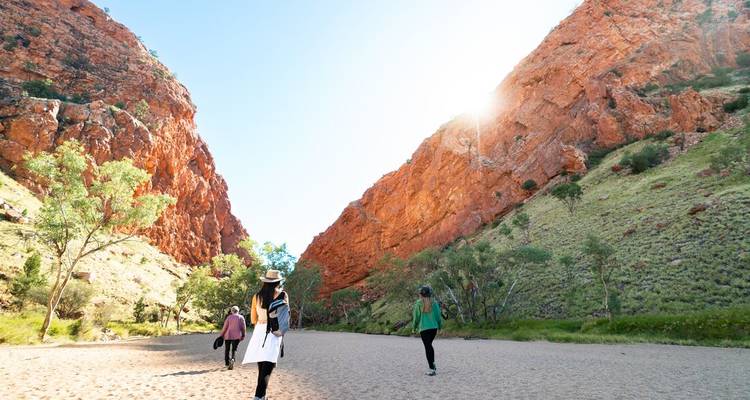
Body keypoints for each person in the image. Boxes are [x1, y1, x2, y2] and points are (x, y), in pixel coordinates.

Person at [242, 269, 288, 400]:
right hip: (274, 331)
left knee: (262, 366)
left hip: (259, 332)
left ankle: (262, 396)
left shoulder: (256, 296)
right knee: (268, 366)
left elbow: (253, 319)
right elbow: (286, 315)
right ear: (278, 282)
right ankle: (258, 397)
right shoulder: (283, 295)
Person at [413, 285, 442, 376]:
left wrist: (414, 327)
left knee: (428, 347)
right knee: (429, 346)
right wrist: (440, 326)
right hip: (433, 328)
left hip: (424, 329)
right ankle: (432, 364)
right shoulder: (435, 303)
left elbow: (416, 317)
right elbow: (438, 316)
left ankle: (432, 368)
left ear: (421, 294)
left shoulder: (418, 303)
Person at [219, 305, 246, 370]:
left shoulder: (229, 317)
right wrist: (243, 335)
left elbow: (225, 327)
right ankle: (233, 359)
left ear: (231, 311)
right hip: (237, 336)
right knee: (234, 349)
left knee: (227, 349)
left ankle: (227, 363)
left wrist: (221, 335)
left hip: (228, 335)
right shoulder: (241, 317)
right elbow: (243, 327)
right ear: (238, 311)